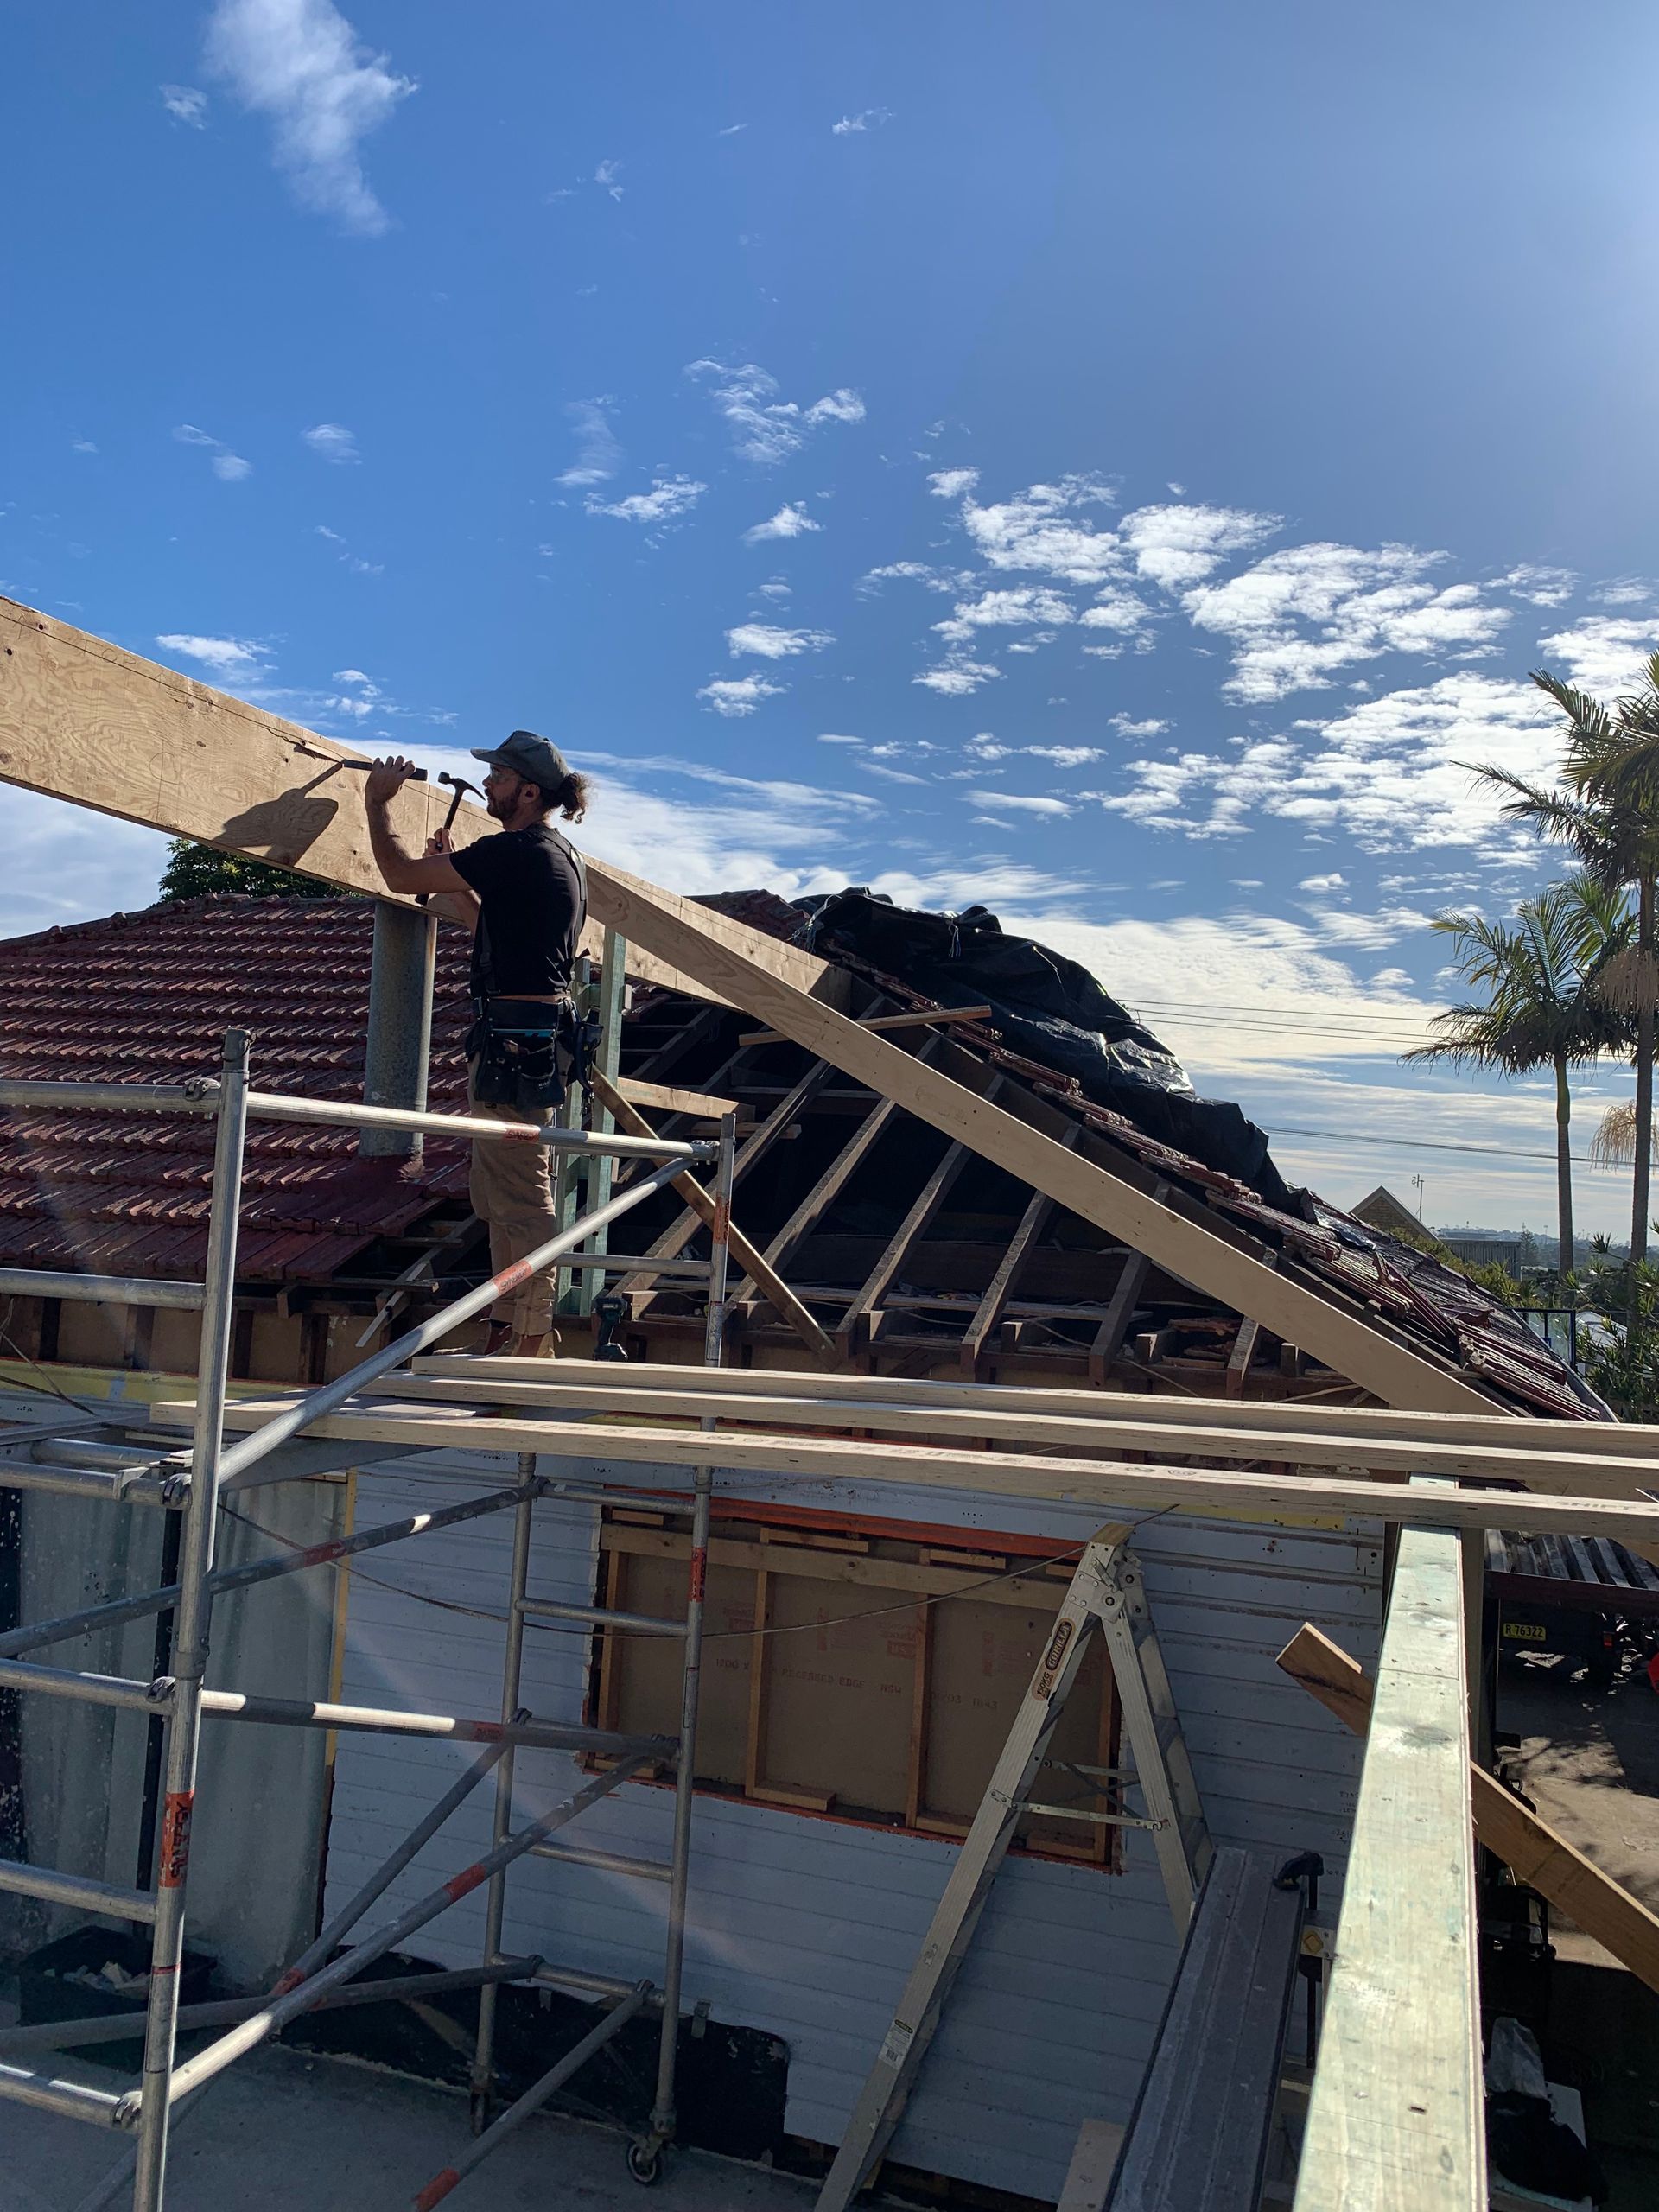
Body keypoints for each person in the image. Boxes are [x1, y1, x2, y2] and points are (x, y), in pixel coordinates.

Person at [363, 731, 591, 1358]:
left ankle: (534, 1337)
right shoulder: (554, 856)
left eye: (496, 777)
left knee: (521, 1190)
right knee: (496, 1190)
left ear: (527, 790)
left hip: (516, 1039)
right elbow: (482, 922)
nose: (487, 784)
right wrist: (458, 872)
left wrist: (379, 803)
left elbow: (398, 872)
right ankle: (503, 1326)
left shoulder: (515, 851)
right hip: (521, 1035)